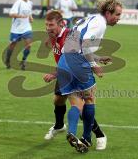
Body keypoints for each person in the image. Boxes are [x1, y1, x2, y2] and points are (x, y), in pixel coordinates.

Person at [57, 0, 122, 153]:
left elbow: (78, 43)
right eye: (117, 14)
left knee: (75, 101)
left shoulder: (90, 19)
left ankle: (72, 132)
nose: (119, 18)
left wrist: (98, 58)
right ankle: (86, 137)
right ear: (108, 13)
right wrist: (94, 65)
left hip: (64, 61)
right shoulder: (100, 24)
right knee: (90, 98)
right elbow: (85, 45)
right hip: (78, 62)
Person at [43, 10, 107, 151]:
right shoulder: (53, 35)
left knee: (80, 105)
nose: (48, 28)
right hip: (64, 71)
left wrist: (54, 74)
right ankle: (60, 126)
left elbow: (81, 53)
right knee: (58, 100)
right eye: (46, 25)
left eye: (51, 25)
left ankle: (99, 135)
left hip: (75, 71)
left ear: (61, 24)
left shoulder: (69, 35)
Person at [5, 0, 34, 70]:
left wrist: (31, 17)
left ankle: (23, 61)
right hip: (16, 29)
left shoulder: (30, 3)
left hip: (27, 28)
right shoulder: (18, 3)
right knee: (12, 46)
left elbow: (29, 12)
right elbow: (11, 14)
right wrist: (19, 16)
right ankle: (8, 60)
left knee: (29, 45)